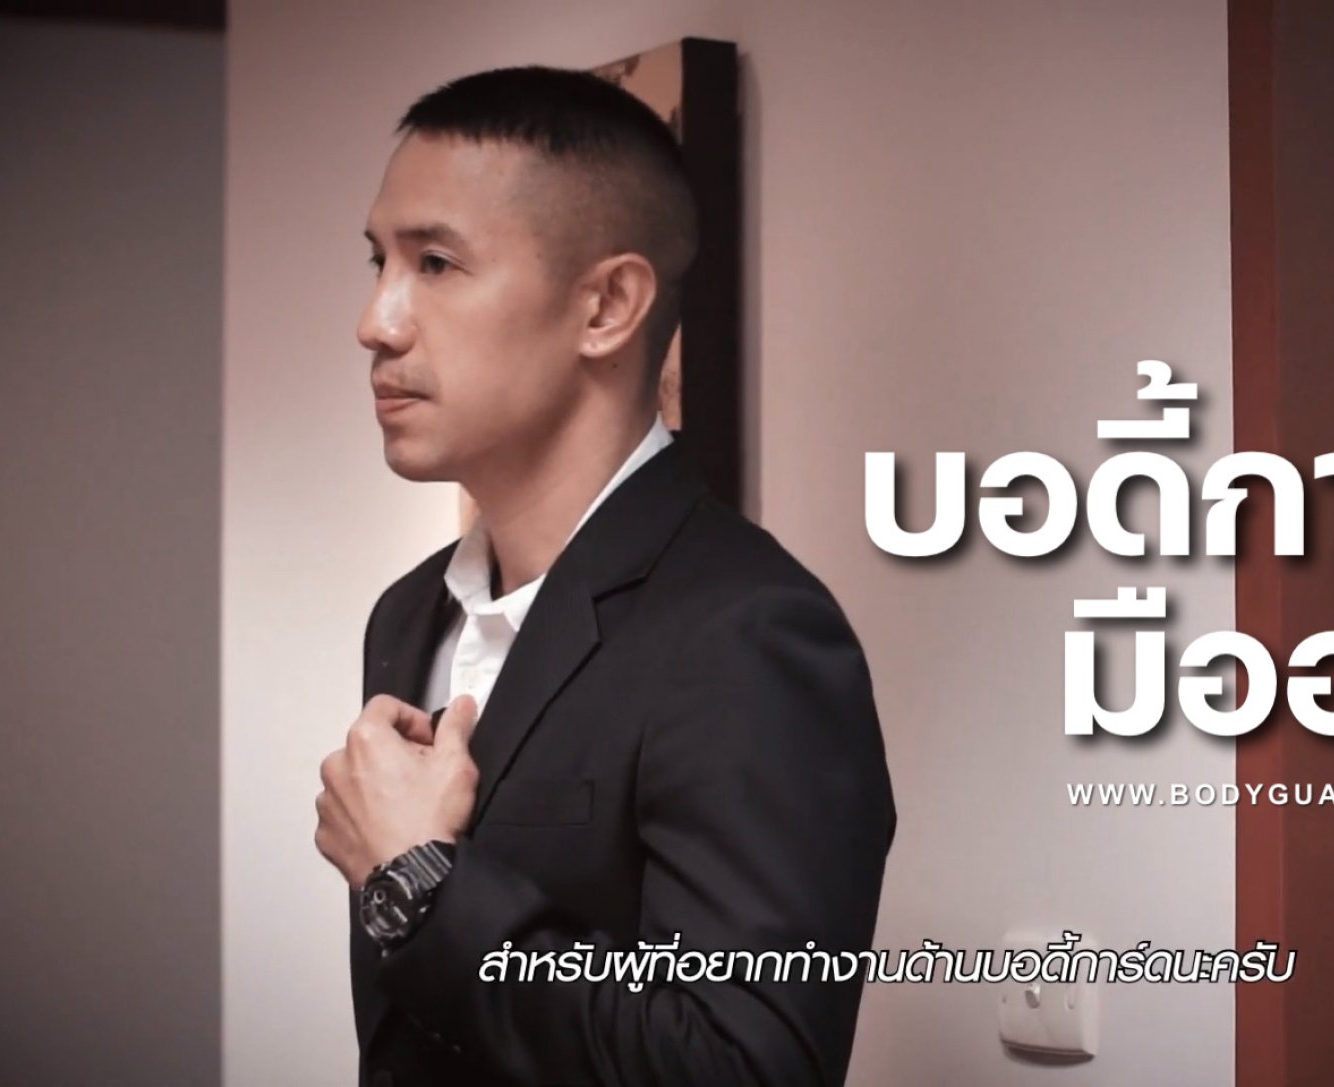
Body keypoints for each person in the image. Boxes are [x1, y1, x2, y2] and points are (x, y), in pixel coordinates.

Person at [311, 65, 897, 1086]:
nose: (377, 320)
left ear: (607, 306)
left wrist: (419, 882)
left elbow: (744, 1066)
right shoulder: (407, 616)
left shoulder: (748, 634)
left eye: (436, 263)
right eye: (379, 261)